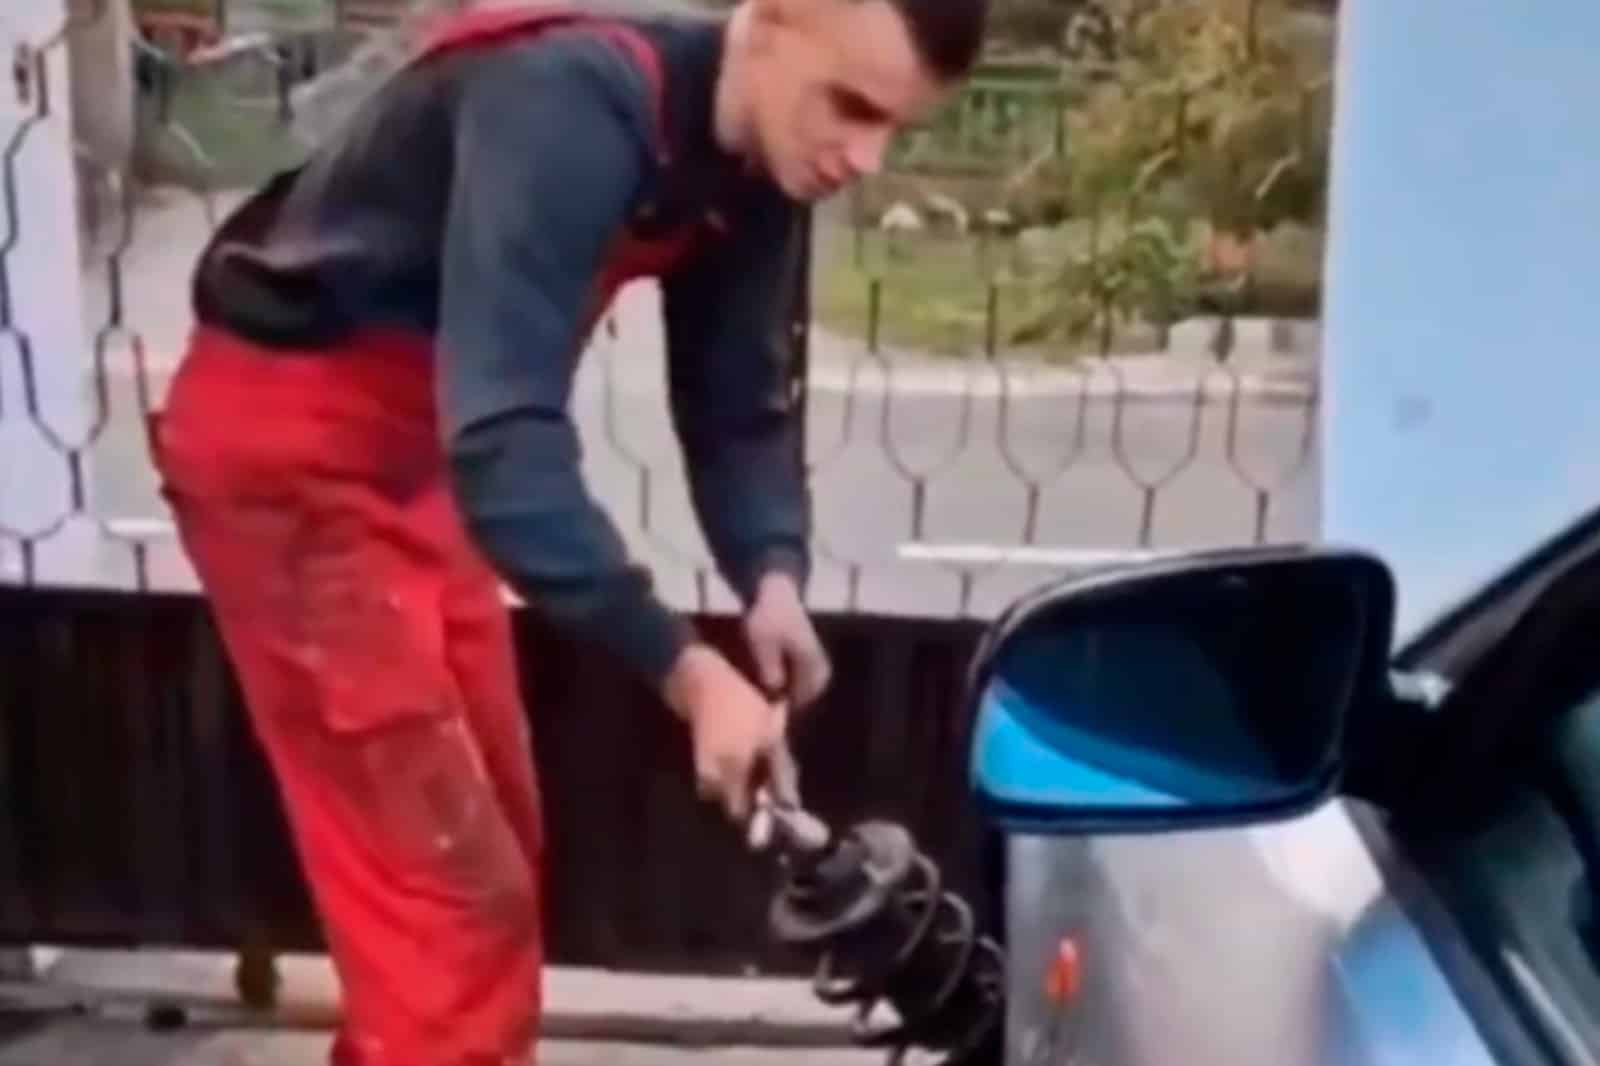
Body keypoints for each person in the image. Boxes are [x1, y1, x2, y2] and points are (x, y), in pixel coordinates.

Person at [149, 0, 989, 1061]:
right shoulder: (568, 101)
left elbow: (737, 401)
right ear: (775, 19)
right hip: (291, 460)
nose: (865, 158)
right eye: (853, 106)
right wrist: (689, 673)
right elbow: (504, 445)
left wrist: (769, 575)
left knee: (493, 842)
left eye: (894, 127)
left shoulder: (756, 161)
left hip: (416, 461)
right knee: (449, 901)